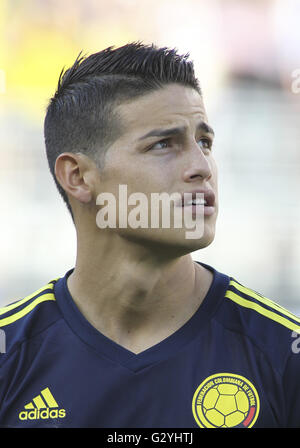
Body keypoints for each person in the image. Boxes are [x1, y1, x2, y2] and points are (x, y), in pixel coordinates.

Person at [0, 42, 300, 429]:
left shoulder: (283, 353)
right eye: (163, 144)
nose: (201, 167)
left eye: (204, 142)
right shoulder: (12, 357)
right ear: (78, 177)